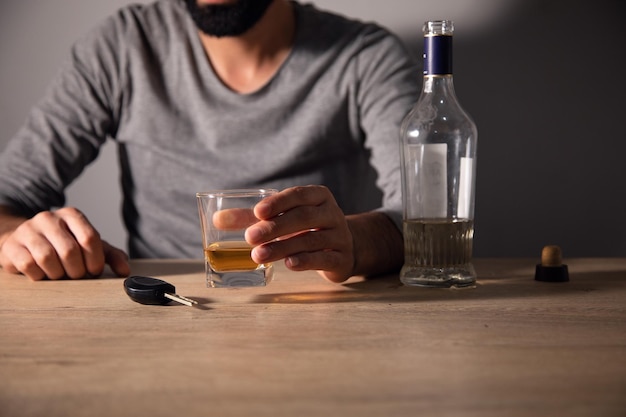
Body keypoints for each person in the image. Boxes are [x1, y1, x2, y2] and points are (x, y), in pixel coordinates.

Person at [0, 0, 419, 283]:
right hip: (165, 311)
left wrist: (350, 240)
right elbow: (8, 197)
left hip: (312, 312)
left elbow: (426, 218)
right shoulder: (123, 47)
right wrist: (17, 238)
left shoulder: (366, 56)